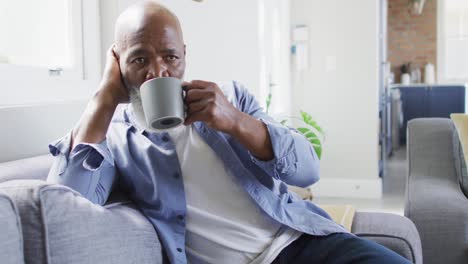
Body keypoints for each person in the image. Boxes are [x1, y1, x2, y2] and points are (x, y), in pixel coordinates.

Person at [47, 1, 410, 264]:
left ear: (184, 56)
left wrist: (234, 121)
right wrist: (102, 98)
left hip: (300, 241)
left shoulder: (231, 97)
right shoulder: (111, 138)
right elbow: (62, 207)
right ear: (118, 64)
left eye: (169, 57)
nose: (159, 71)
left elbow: (308, 170)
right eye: (140, 59)